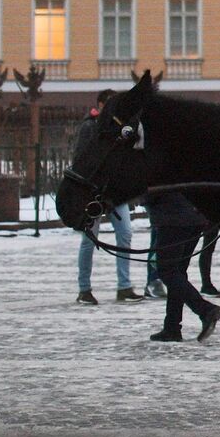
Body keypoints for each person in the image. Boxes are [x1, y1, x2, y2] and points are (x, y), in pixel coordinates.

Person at [72, 92, 144, 305]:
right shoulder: (90, 127)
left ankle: (124, 286)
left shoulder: (119, 127)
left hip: (114, 192)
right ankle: (84, 289)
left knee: (125, 234)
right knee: (89, 240)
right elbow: (81, 159)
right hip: (93, 193)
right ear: (101, 105)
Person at [144, 190, 220, 342]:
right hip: (193, 217)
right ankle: (172, 327)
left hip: (173, 217)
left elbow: (153, 191)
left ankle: (205, 310)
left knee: (166, 270)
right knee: (177, 272)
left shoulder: (156, 167)